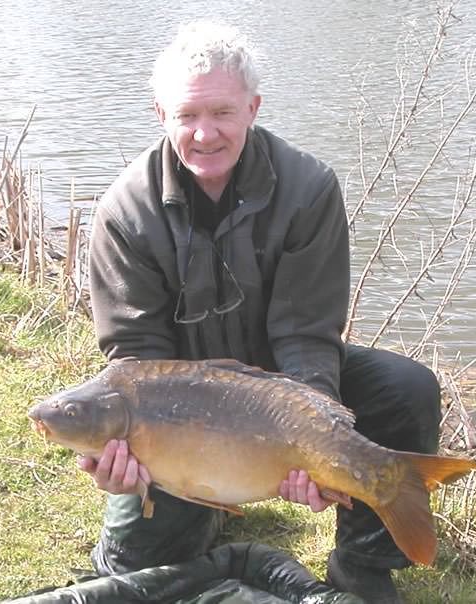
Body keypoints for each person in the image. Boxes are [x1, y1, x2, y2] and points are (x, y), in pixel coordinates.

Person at [80, 21, 441, 604]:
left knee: (406, 387)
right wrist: (132, 456)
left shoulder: (308, 187)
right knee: (141, 568)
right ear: (160, 114)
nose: (204, 133)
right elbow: (136, 360)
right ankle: (213, 498)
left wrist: (316, 438)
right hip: (183, 401)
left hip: (286, 380)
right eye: (187, 115)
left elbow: (305, 332)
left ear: (253, 108)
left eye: (222, 113)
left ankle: (363, 568)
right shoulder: (126, 212)